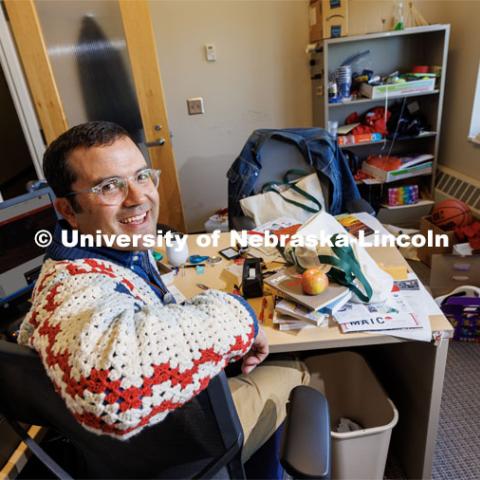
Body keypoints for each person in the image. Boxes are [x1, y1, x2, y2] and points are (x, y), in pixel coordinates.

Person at [19, 121, 309, 461]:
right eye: (110, 187)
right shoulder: (71, 285)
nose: (139, 197)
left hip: (163, 424)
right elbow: (114, 388)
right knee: (298, 368)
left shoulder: (115, 246)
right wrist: (240, 316)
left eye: (142, 176)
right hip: (171, 446)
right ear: (68, 210)